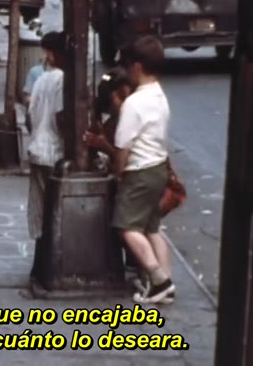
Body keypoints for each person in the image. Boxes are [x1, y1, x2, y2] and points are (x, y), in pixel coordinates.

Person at [111, 35, 174, 304]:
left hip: (140, 171)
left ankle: (159, 279)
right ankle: (167, 283)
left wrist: (118, 172)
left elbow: (123, 146)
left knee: (126, 226)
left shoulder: (134, 103)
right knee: (151, 227)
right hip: (158, 168)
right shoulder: (160, 96)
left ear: (137, 66)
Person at [26, 31, 66, 282]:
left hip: (38, 147)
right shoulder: (62, 80)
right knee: (53, 212)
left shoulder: (41, 79)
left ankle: (38, 267)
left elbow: (29, 115)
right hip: (54, 150)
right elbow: (61, 117)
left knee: (40, 210)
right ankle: (50, 268)